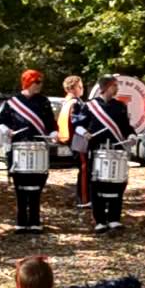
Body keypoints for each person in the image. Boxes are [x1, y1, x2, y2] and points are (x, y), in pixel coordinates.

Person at [0, 70, 59, 233]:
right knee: (20, 186)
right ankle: (21, 222)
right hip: (18, 148)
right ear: (29, 82)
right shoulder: (12, 102)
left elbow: (51, 123)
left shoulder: (43, 101)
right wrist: (6, 130)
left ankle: (35, 221)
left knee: (36, 186)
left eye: (41, 82)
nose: (40, 85)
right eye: (38, 82)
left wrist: (53, 134)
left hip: (38, 147)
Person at [73, 75, 137, 233]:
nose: (117, 89)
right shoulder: (90, 106)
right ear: (106, 87)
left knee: (117, 184)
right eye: (115, 85)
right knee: (98, 185)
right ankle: (100, 220)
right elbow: (77, 124)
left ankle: (114, 218)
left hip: (116, 149)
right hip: (97, 149)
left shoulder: (120, 106)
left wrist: (131, 135)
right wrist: (85, 133)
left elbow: (125, 127)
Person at [58, 76, 89, 208]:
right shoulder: (75, 103)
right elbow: (77, 122)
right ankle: (84, 199)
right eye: (79, 87)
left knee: (84, 168)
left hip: (71, 139)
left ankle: (84, 197)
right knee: (84, 168)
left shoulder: (67, 101)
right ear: (71, 88)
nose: (82, 89)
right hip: (78, 140)